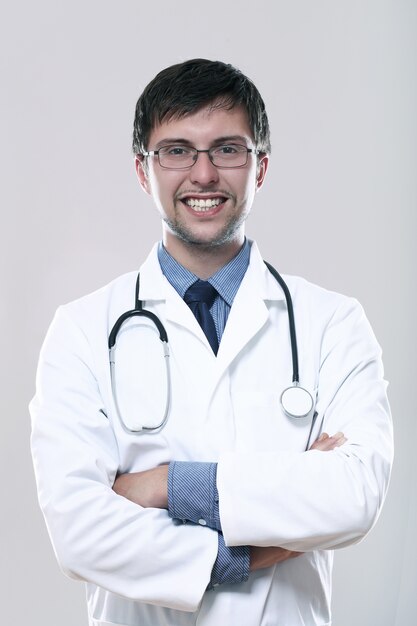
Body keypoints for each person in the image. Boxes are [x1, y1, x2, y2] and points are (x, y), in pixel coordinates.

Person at [30, 59, 393, 626]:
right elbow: (79, 531)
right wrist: (247, 555)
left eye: (228, 149)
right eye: (176, 150)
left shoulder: (332, 322)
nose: (203, 174)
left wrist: (167, 484)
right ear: (142, 171)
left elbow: (356, 493)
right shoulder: (81, 330)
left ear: (261, 167)